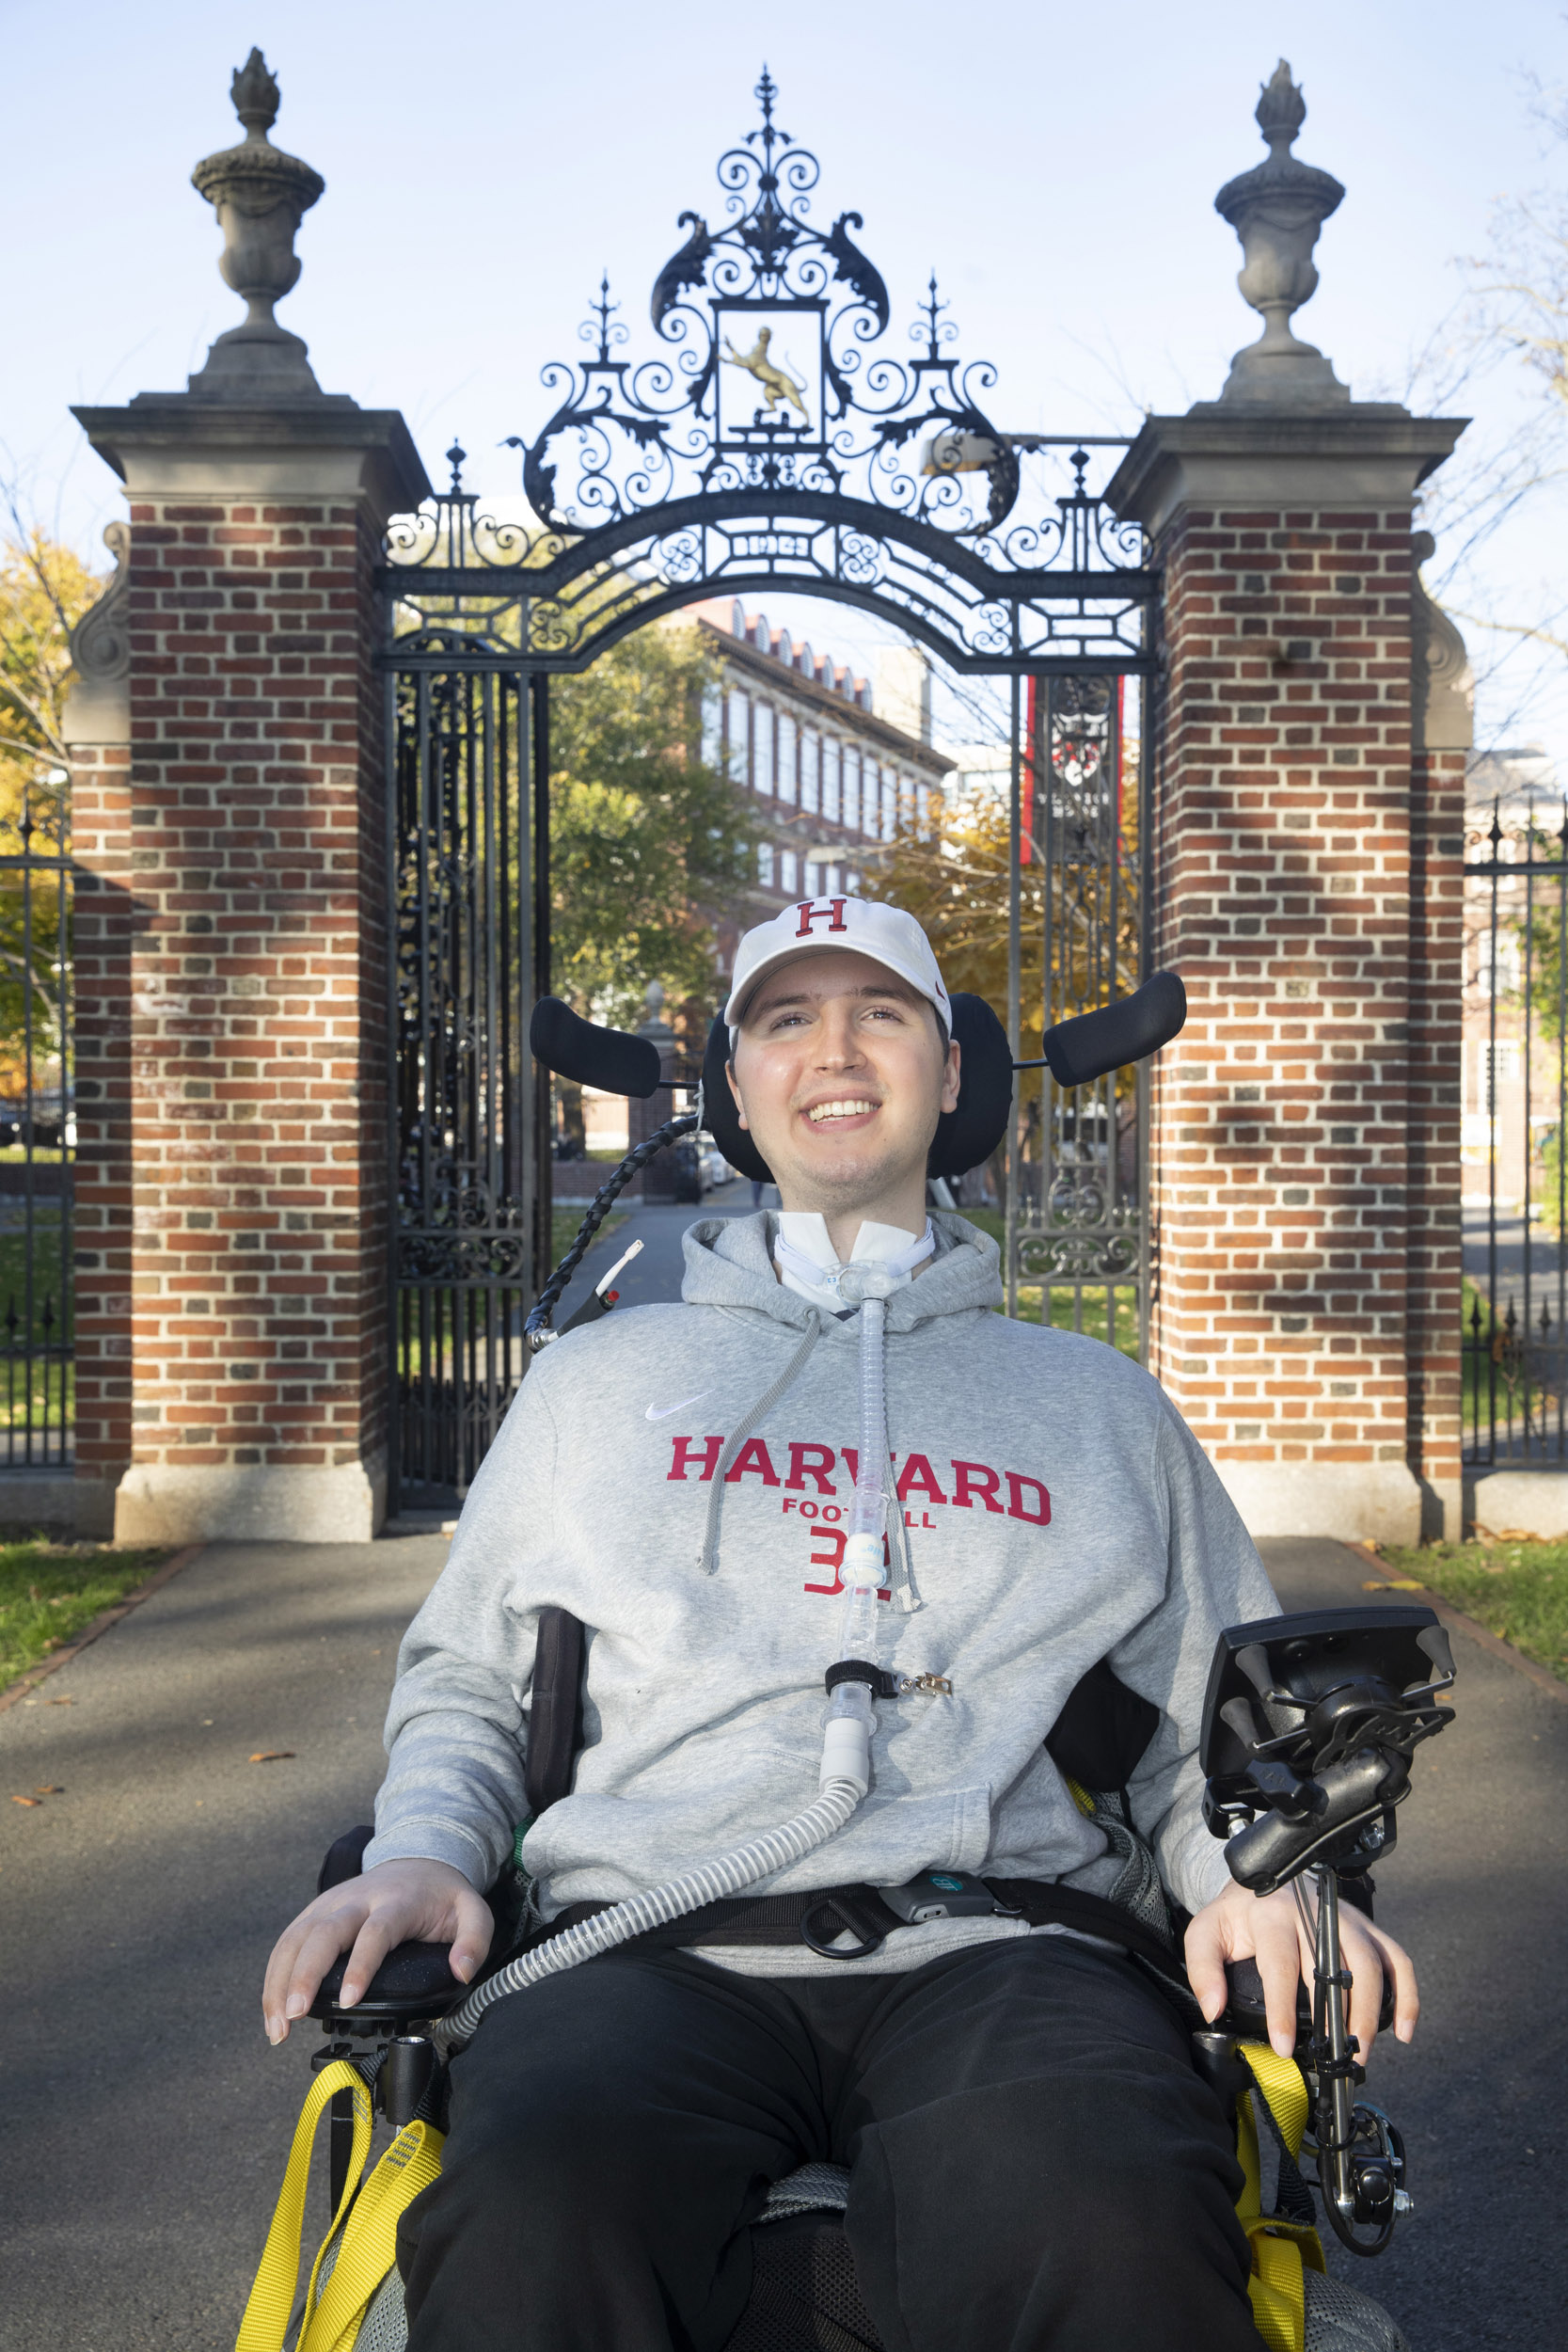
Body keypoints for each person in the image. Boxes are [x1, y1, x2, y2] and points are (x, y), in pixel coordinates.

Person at [263, 897, 1418, 2352]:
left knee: (1103, 2210)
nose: (836, 1049)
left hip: (1005, 1950)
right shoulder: (597, 1388)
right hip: (646, 1948)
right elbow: (470, 1685)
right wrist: (424, 1851)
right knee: (541, 2205)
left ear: (954, 1073)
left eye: (882, 1012)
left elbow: (1211, 1727)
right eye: (785, 1019)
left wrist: (1251, 1877)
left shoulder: (1095, 1405)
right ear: (735, 1089)